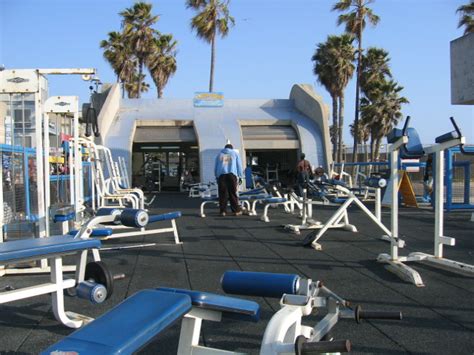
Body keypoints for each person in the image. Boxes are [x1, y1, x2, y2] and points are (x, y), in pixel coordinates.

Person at [214, 144, 243, 216]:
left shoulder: (219, 155)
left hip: (222, 176)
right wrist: (240, 176)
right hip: (231, 175)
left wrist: (217, 176)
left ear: (225, 148)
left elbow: (216, 166)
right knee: (233, 193)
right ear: (232, 148)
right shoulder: (235, 154)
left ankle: (223, 211)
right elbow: (239, 165)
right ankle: (236, 211)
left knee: (222, 194)